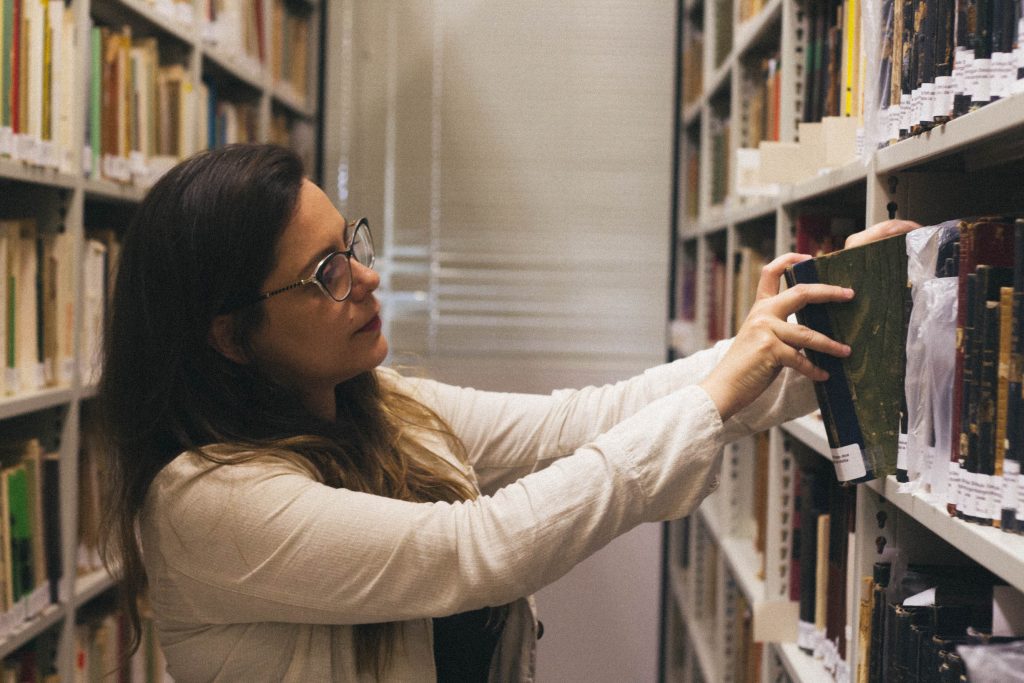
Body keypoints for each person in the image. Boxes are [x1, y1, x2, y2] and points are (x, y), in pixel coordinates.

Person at [97, 142, 918, 682]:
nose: (368, 278)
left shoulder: (382, 408)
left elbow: (582, 422)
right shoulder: (205, 500)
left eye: (354, 244)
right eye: (327, 274)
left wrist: (805, 331)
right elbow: (473, 551)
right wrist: (717, 394)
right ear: (231, 336)